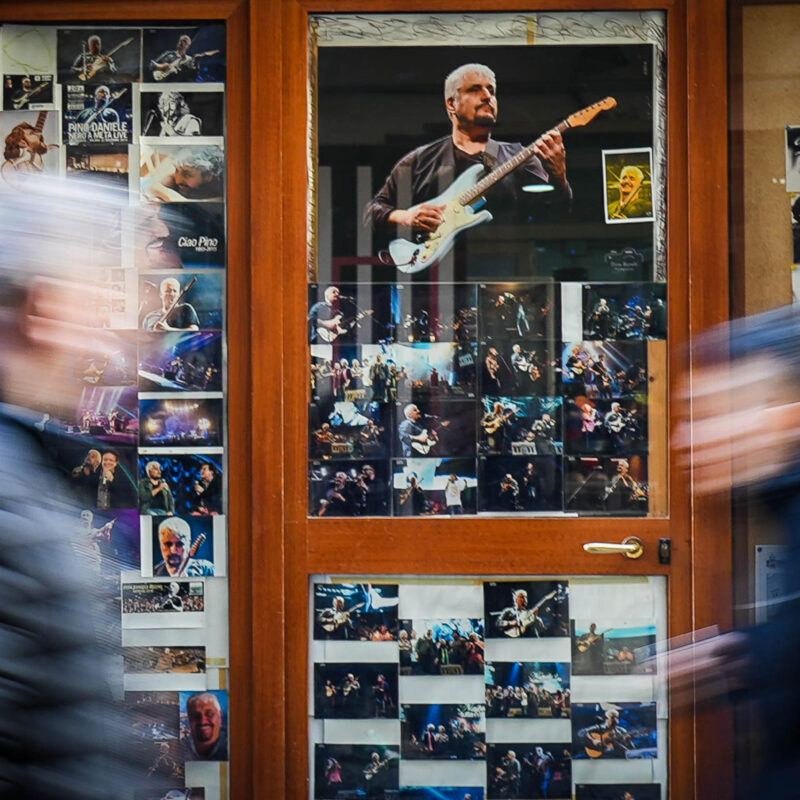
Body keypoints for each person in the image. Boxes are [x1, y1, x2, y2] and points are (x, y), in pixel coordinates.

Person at [364, 63, 570, 249]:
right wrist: (407, 217)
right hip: (434, 268)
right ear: (451, 104)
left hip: (507, 266)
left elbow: (558, 214)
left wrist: (559, 175)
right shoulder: (420, 160)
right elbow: (371, 214)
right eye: (475, 89)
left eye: (491, 90)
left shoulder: (521, 157)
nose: (487, 95)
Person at [142, 145, 224, 202]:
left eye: (186, 174)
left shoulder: (223, 189)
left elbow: (194, 206)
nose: (178, 180)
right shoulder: (174, 178)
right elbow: (151, 186)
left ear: (208, 176)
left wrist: (162, 191)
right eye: (176, 171)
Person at [182, 692, 227, 761]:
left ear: (219, 716)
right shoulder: (181, 747)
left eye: (209, 714)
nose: (202, 721)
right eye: (195, 715)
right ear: (189, 719)